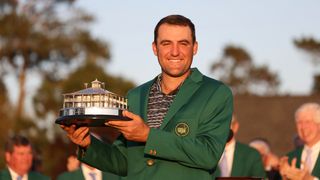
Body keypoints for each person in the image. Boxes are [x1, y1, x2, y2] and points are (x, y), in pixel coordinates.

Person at [61, 14, 233, 180]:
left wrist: (148, 136)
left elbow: (209, 154)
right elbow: (123, 162)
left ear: (195, 47)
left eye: (183, 43)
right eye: (166, 43)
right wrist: (87, 144)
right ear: (155, 48)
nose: (175, 52)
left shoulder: (215, 92)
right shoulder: (136, 95)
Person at [279, 102, 320, 179]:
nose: (303, 127)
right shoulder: (290, 157)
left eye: (308, 122)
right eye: (299, 123)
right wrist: (284, 177)